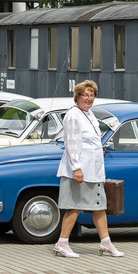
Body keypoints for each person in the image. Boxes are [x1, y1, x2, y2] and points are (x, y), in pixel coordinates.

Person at [54, 79, 123, 259]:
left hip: (94, 172)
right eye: (85, 94)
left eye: (92, 95)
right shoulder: (73, 115)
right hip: (80, 172)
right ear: (77, 96)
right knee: (75, 207)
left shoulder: (89, 114)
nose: (89, 98)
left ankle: (105, 241)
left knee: (99, 206)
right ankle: (62, 242)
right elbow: (72, 143)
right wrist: (76, 168)